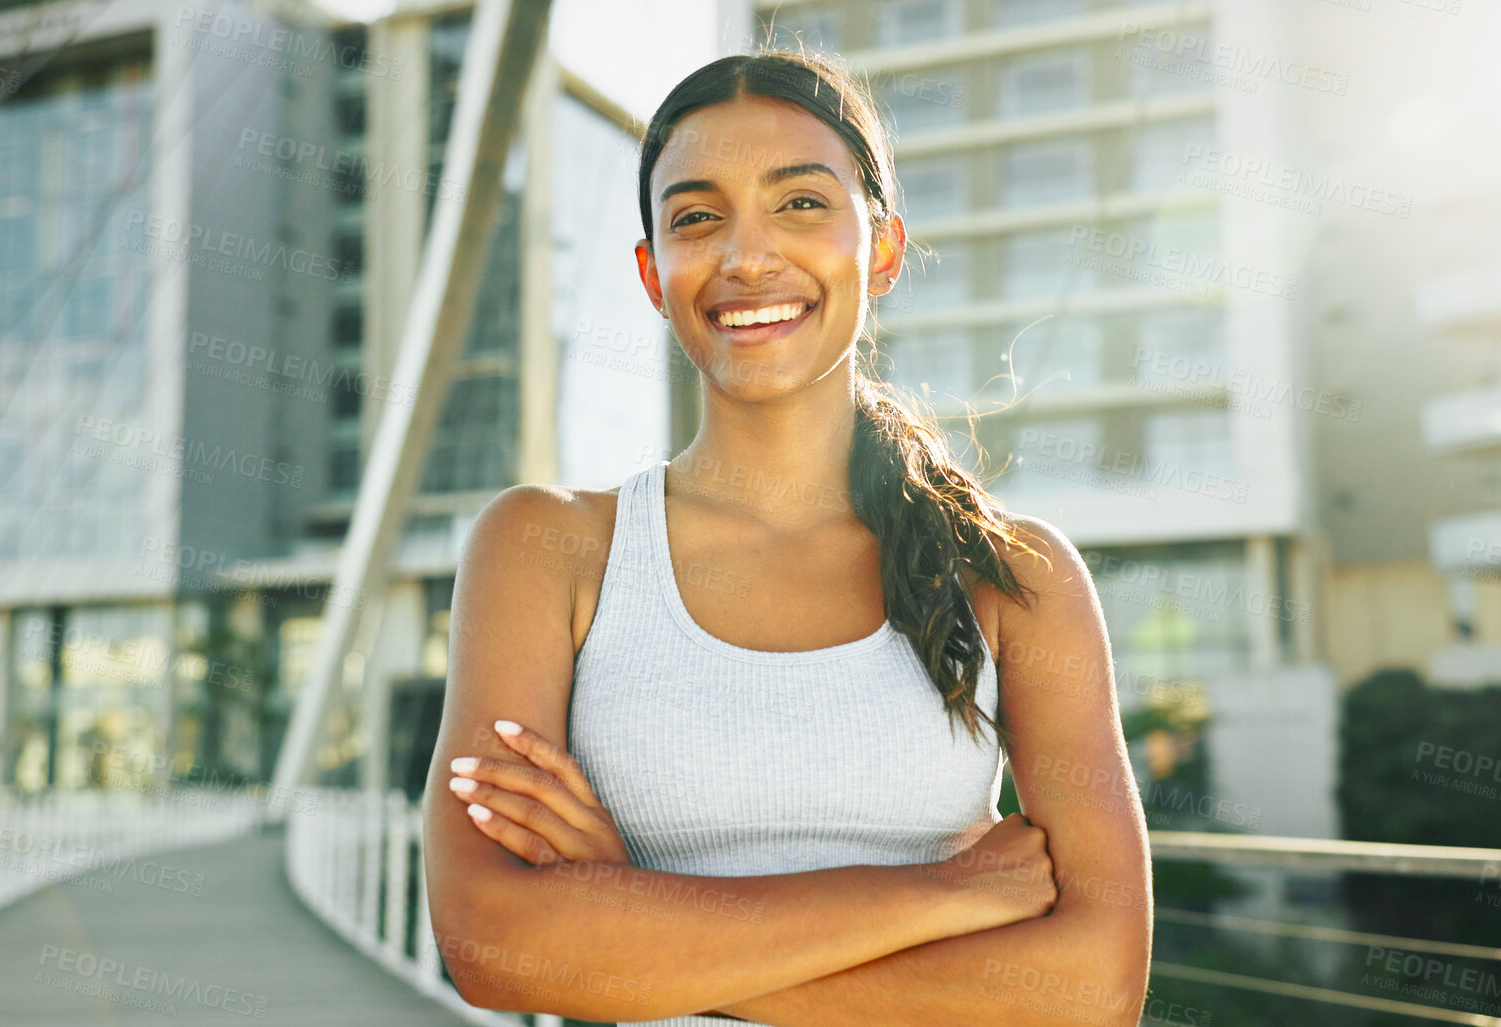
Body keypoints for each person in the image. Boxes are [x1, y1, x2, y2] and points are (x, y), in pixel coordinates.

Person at [421, 47, 1151, 1026]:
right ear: (652, 273)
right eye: (695, 217)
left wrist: (632, 923)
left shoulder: (1016, 574)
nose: (747, 255)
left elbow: (1094, 985)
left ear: (883, 249)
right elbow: (491, 939)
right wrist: (941, 896)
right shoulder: (545, 545)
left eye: (801, 203)